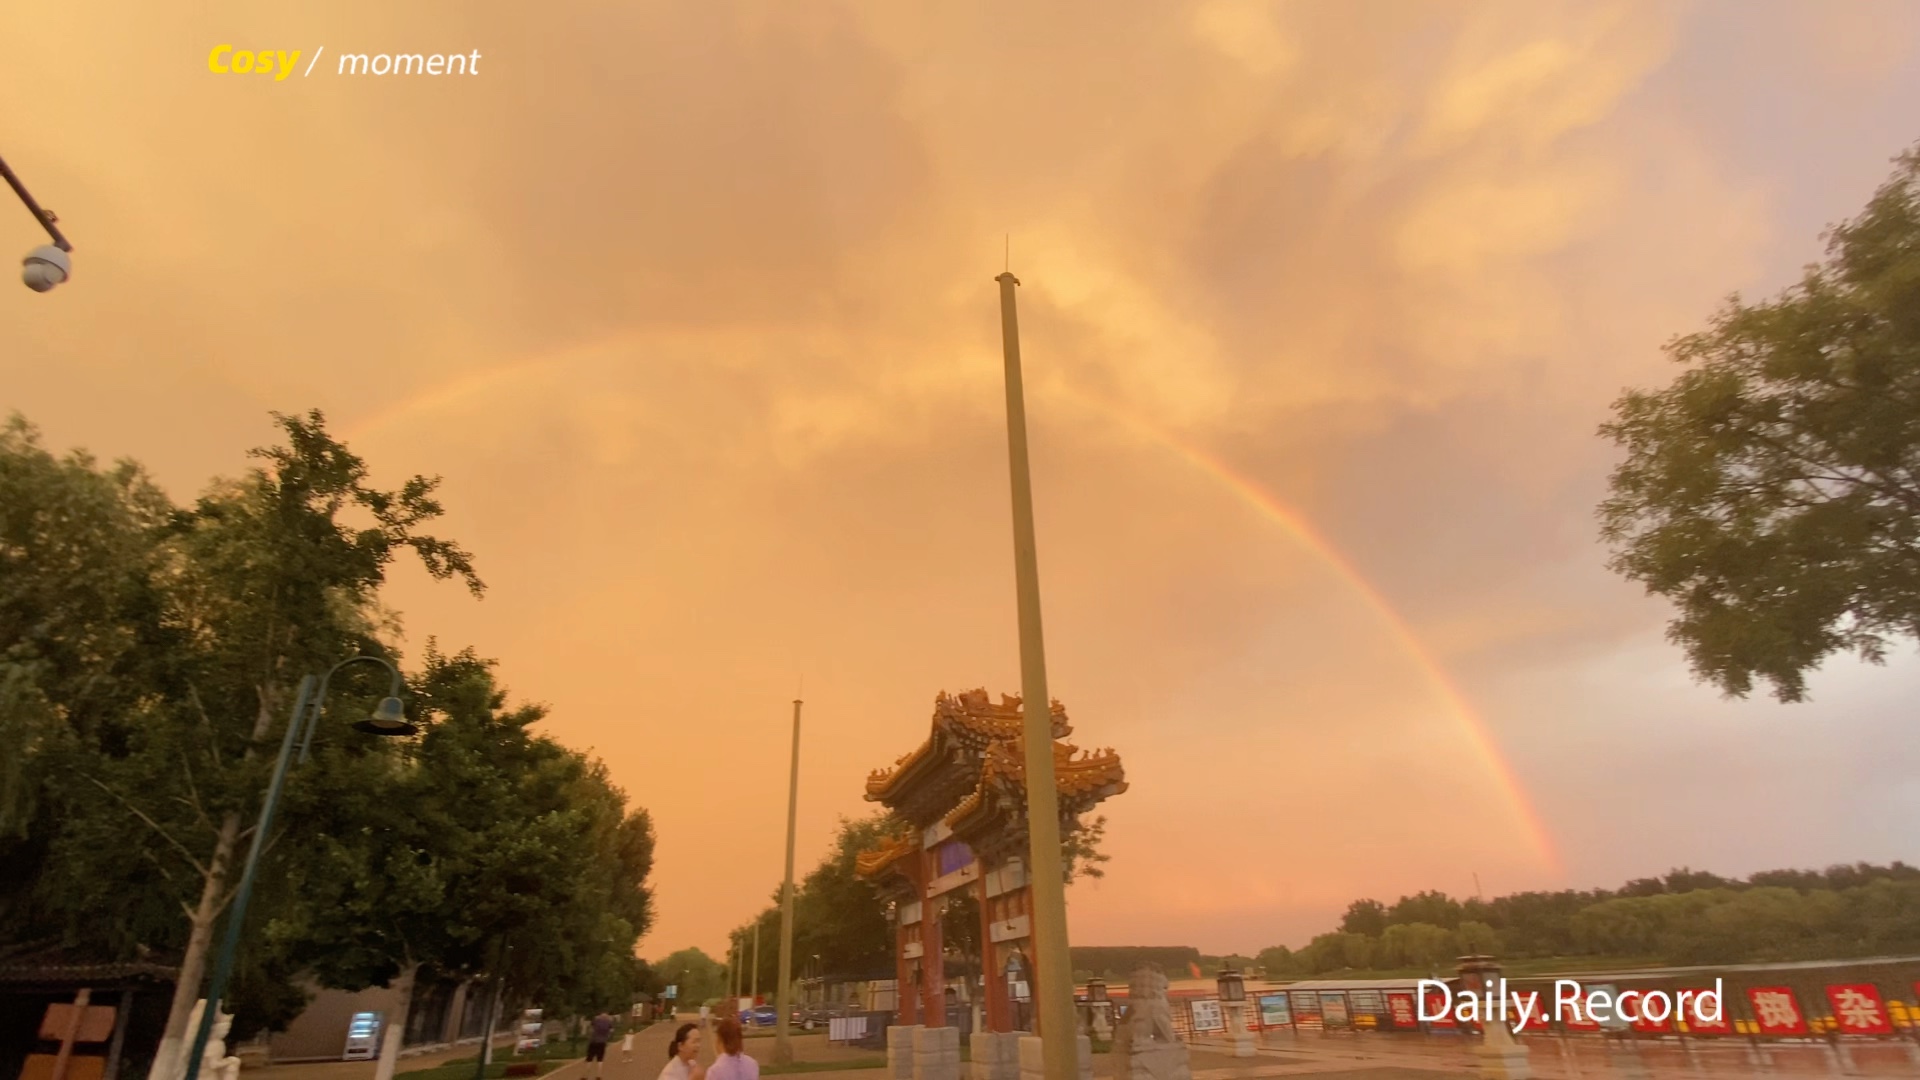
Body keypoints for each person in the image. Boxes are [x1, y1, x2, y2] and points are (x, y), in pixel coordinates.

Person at [586, 1011, 614, 1078]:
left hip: (593, 1041)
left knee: (589, 1059)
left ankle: (585, 1075)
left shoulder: (595, 1020)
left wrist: (590, 1036)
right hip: (602, 1042)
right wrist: (607, 1036)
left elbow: (591, 1029)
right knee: (600, 1059)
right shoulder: (609, 1022)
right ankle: (599, 1075)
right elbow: (611, 1031)